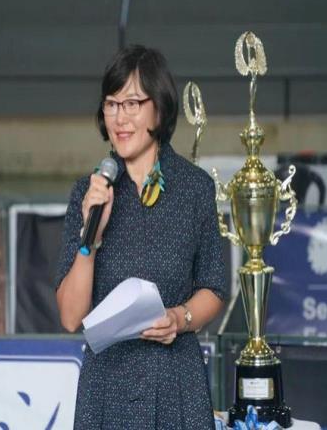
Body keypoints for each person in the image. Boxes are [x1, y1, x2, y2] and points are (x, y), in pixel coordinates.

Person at [55, 44, 226, 430]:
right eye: (111, 104)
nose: (120, 117)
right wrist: (90, 239)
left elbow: (213, 288)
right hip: (106, 388)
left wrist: (179, 318)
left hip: (176, 384)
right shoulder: (88, 193)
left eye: (132, 103)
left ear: (159, 108)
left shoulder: (194, 188)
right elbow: (70, 317)